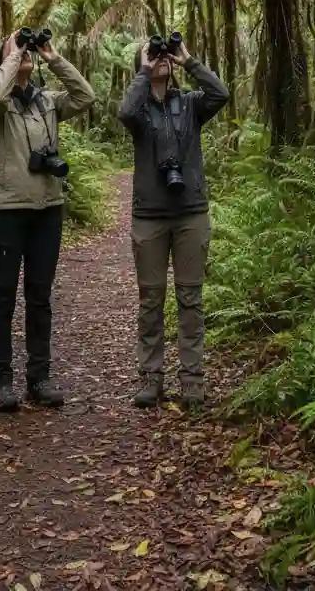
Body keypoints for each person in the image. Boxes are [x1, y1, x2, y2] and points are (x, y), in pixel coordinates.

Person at [0, 31, 95, 411]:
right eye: (18, 51)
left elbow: (85, 97)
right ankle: (0, 380)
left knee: (39, 296)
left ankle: (39, 377)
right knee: (2, 295)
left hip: (48, 207)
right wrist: (11, 57)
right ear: (4, 61)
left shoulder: (47, 101)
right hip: (7, 210)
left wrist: (54, 57)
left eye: (28, 52)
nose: (26, 54)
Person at [117, 37, 229, 409]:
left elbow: (220, 93)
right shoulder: (139, 109)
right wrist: (144, 70)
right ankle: (151, 378)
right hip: (149, 216)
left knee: (190, 299)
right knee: (151, 300)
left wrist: (188, 60)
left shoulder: (191, 105)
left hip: (190, 213)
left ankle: (192, 381)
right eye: (154, 56)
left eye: (164, 57)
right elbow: (124, 112)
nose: (161, 59)